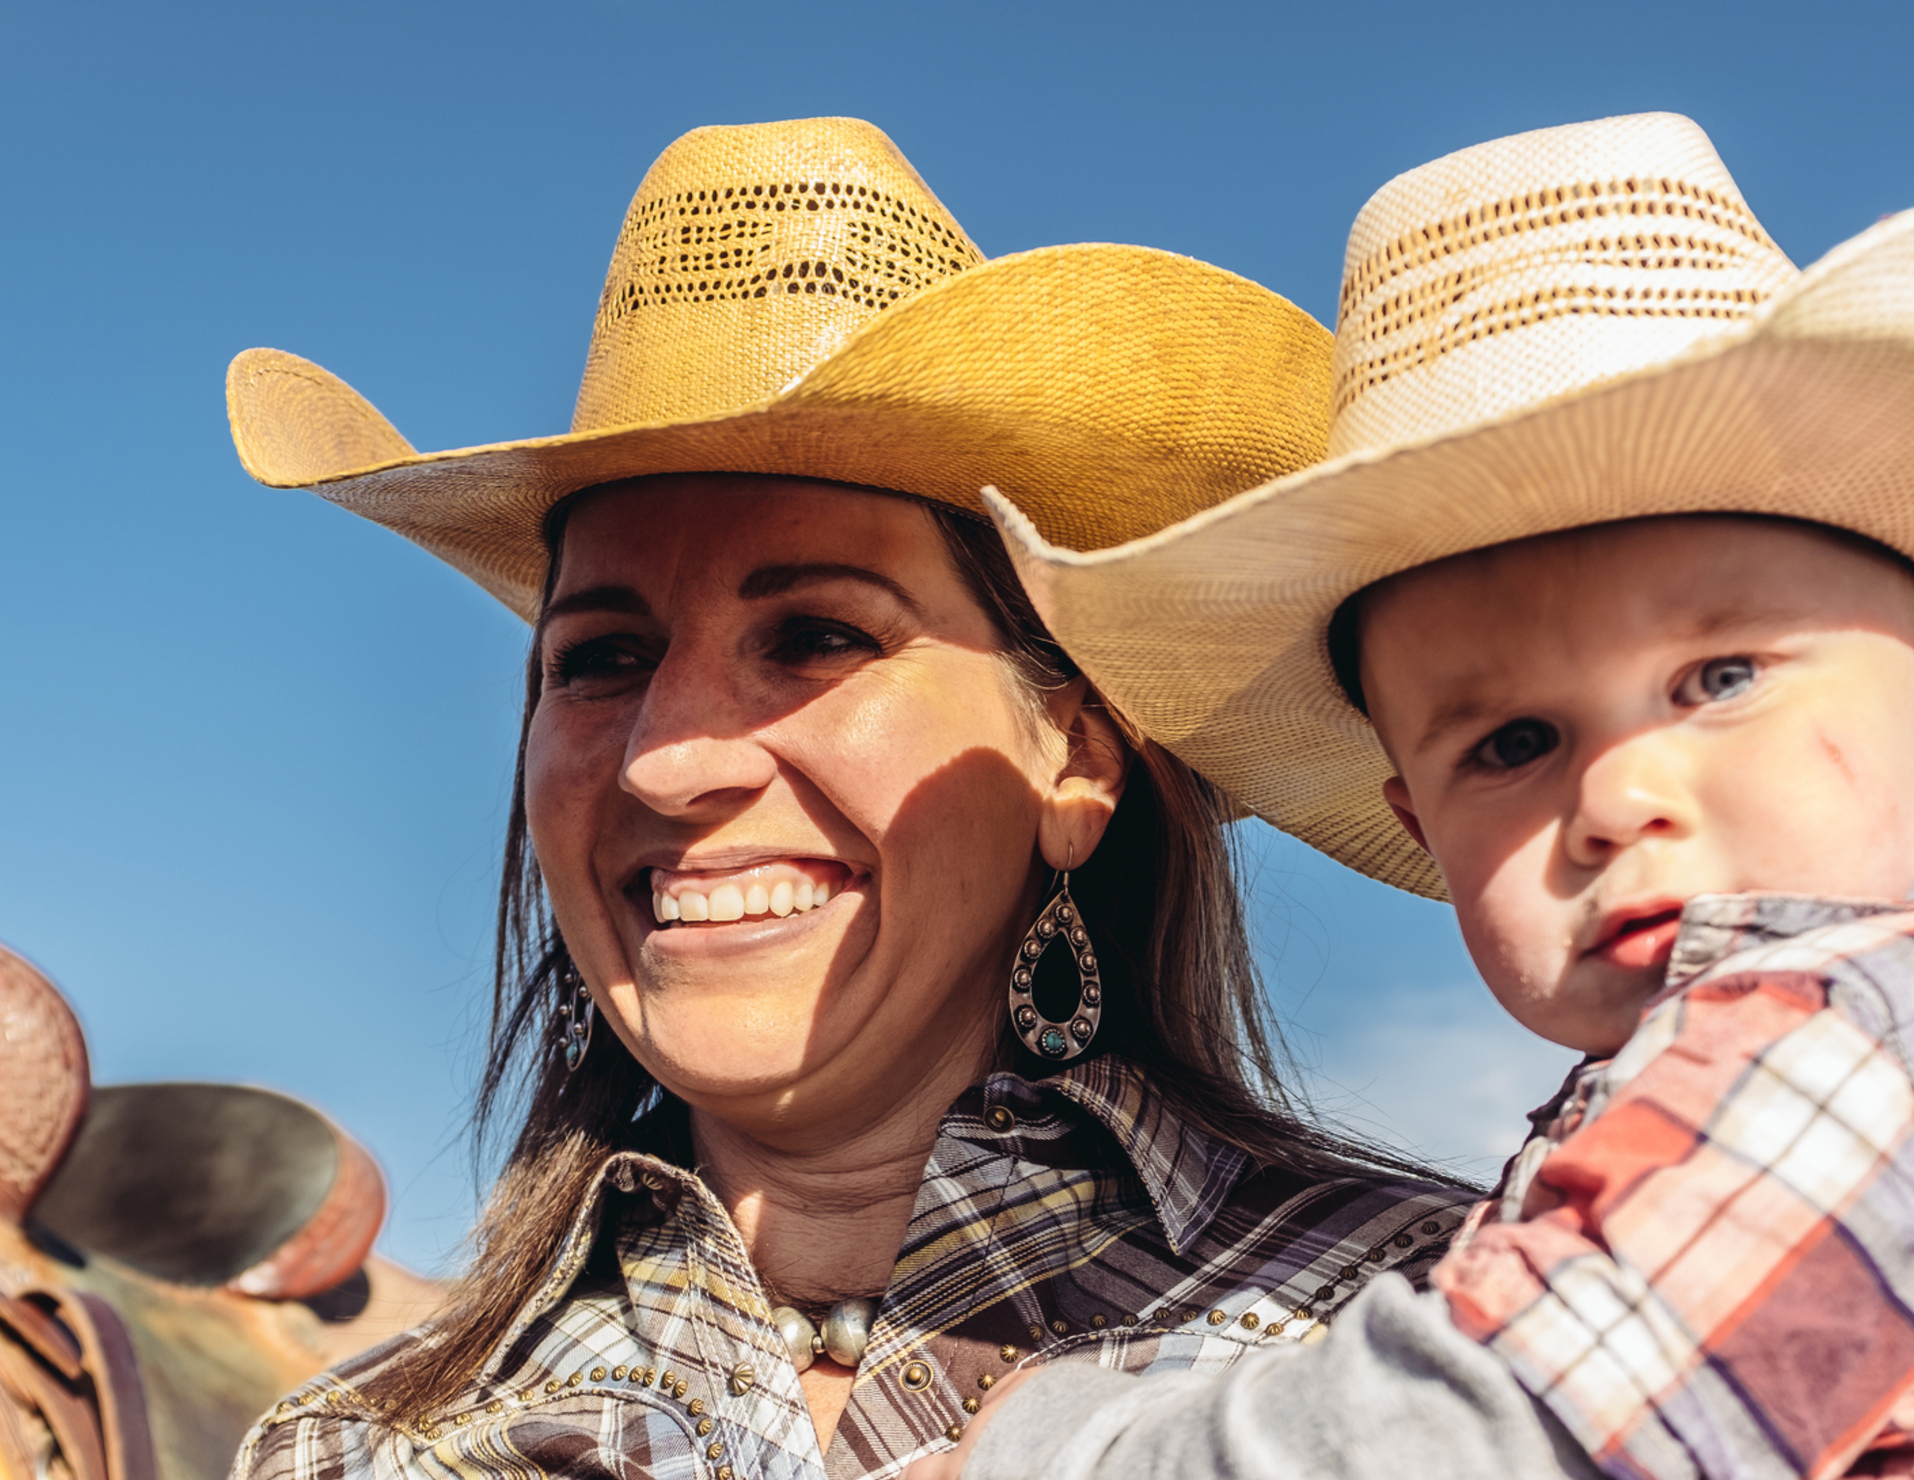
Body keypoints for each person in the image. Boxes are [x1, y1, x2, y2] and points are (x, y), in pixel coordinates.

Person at [960, 114, 1914, 1479]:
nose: (1615, 799)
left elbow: (1484, 1435)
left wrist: (1036, 1452)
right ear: (1424, 822)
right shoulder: (1788, 1067)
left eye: (1719, 678)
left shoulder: (1864, 1045)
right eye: (1510, 745)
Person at [219, 117, 1472, 1480]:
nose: (667, 759)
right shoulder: (365, 1450)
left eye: (818, 636)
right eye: (602, 659)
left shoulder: (1439, 1330)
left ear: (1077, 759)